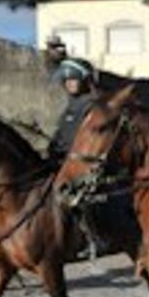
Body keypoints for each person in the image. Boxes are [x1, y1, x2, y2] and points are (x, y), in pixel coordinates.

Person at [48, 57, 113, 258]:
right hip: (64, 161)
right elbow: (60, 136)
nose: (69, 83)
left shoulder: (94, 106)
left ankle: (96, 238)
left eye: (73, 79)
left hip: (87, 165)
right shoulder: (71, 107)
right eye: (66, 80)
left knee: (81, 198)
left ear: (84, 80)